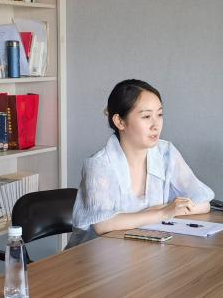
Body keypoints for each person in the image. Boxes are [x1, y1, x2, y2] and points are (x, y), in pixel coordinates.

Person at [70, 79, 214, 247]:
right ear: (120, 122)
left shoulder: (166, 152)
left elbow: (203, 203)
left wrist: (158, 210)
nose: (156, 125)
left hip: (144, 250)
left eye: (159, 115)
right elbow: (104, 225)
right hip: (94, 255)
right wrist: (164, 212)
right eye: (146, 116)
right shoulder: (99, 164)